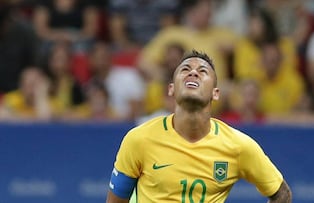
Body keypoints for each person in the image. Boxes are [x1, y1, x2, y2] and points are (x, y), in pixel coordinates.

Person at [106, 50, 292, 202]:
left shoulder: (238, 146)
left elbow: (281, 194)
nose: (193, 72)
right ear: (171, 89)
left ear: (215, 93)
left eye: (203, 71)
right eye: (185, 69)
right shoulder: (139, 139)